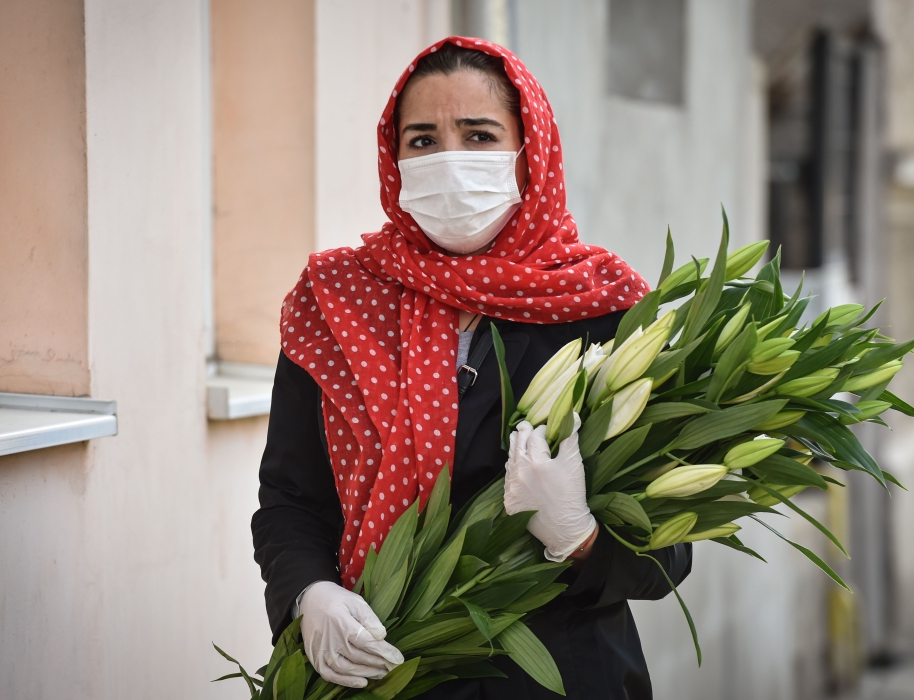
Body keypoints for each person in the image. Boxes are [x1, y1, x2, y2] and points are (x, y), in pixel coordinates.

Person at [252, 37, 693, 700]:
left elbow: (669, 555)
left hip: (562, 680)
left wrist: (578, 536)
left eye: (479, 135)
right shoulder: (335, 304)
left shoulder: (606, 311)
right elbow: (291, 498)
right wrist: (308, 593)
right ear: (394, 157)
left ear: (530, 153)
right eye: (423, 139)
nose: (450, 160)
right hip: (382, 676)